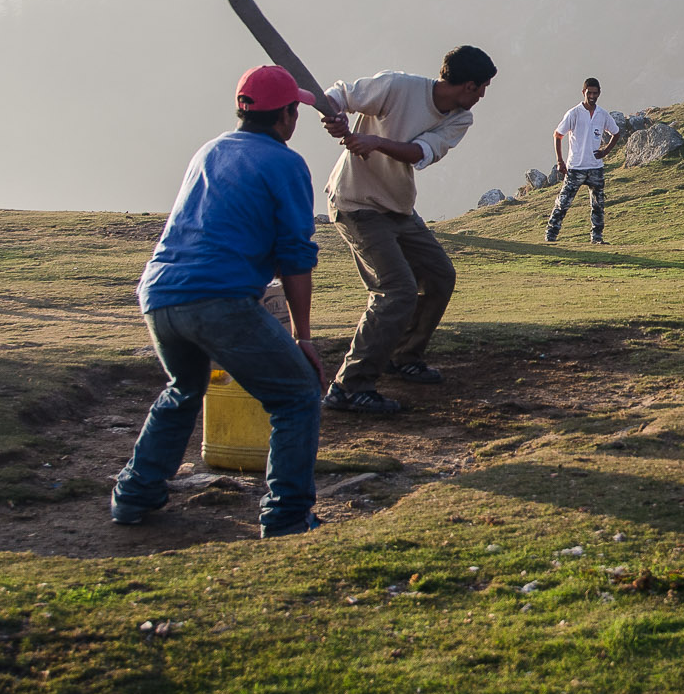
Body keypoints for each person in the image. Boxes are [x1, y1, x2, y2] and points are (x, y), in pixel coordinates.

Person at [112, 65, 326, 538]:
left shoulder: (210, 150)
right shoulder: (285, 162)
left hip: (160, 293)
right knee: (296, 394)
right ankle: (288, 514)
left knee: (184, 387)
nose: (297, 121)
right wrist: (302, 337)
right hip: (219, 298)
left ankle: (134, 495)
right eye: (296, 111)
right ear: (285, 116)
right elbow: (295, 254)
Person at [317, 45, 497, 413]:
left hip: (397, 207)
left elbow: (420, 153)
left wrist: (375, 141)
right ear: (467, 85)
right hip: (356, 202)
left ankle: (403, 355)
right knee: (395, 289)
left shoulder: (459, 119)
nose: (481, 96)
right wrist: (335, 115)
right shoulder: (398, 86)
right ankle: (349, 387)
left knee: (439, 275)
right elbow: (340, 94)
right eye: (481, 88)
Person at [547, 78, 620, 244]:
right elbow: (558, 135)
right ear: (583, 93)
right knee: (563, 203)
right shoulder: (573, 113)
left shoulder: (603, 114)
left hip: (596, 167)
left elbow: (616, 133)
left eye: (595, 93)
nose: (592, 96)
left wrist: (606, 151)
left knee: (598, 205)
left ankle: (597, 238)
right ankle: (550, 236)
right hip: (576, 168)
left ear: (599, 93)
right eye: (589, 93)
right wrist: (560, 161)